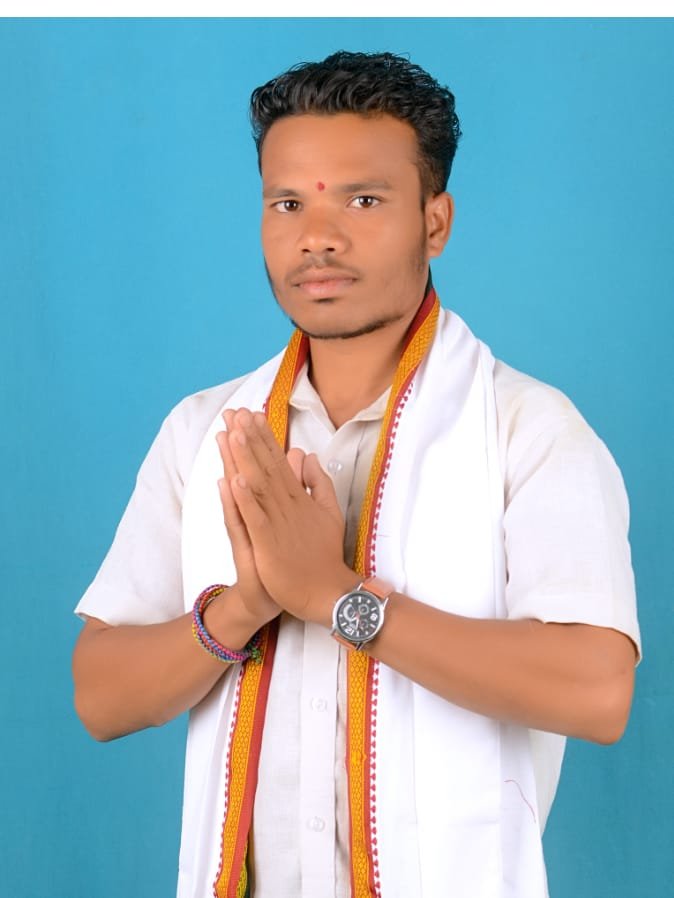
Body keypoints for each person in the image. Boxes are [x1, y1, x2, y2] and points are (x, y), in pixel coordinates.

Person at [72, 51, 640, 898]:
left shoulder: (526, 428)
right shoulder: (206, 430)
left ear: (435, 222)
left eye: (363, 200)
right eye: (288, 203)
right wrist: (245, 605)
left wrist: (335, 597)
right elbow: (101, 695)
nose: (318, 237)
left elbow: (597, 691)